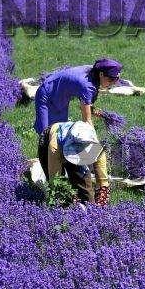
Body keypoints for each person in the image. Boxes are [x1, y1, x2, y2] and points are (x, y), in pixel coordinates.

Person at [34, 58, 122, 204]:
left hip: (62, 98)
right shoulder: (87, 86)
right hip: (47, 94)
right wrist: (93, 140)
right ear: (101, 74)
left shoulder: (93, 75)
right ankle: (57, 184)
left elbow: (86, 103)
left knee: (61, 135)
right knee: (46, 136)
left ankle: (73, 188)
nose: (113, 83)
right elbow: (87, 120)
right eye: (111, 79)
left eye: (116, 79)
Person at [38, 121, 110, 206]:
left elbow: (101, 171)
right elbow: (55, 179)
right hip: (50, 140)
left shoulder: (90, 141)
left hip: (74, 141)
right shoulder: (54, 148)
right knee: (59, 192)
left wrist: (103, 188)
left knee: (86, 191)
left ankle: (86, 207)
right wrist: (60, 197)